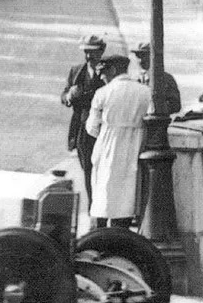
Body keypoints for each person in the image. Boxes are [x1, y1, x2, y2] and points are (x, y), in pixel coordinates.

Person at [85, 55, 151, 228]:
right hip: (135, 146)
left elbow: (92, 128)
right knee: (127, 194)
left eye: (103, 73)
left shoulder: (103, 93)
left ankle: (99, 234)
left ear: (113, 71)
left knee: (104, 192)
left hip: (108, 146)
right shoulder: (145, 91)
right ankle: (121, 232)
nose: (101, 77)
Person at [61, 34, 107, 207]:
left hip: (101, 127)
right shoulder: (76, 71)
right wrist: (68, 96)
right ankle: (92, 207)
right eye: (86, 52)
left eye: (93, 52)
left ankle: (101, 208)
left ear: (102, 51)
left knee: (102, 169)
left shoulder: (108, 70)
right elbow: (64, 96)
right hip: (82, 127)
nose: (89, 56)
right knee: (87, 167)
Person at [130, 41, 182, 115]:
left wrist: (156, 108)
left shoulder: (166, 79)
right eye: (138, 56)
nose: (141, 60)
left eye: (144, 55)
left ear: (152, 57)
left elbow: (176, 105)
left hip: (158, 123)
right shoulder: (135, 80)